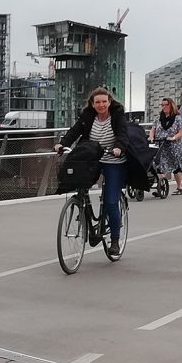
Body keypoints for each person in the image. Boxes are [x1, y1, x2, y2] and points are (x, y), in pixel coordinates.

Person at [57, 88, 134, 248]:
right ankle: (83, 207)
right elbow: (74, 131)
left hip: (114, 159)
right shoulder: (88, 116)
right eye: (97, 102)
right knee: (79, 182)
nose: (101, 105)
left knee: (110, 201)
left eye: (104, 101)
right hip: (93, 159)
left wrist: (118, 147)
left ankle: (114, 240)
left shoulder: (117, 115)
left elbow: (123, 134)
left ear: (109, 102)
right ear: (92, 104)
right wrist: (62, 144)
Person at [151, 98, 182, 195]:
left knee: (176, 166)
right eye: (162, 105)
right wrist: (151, 136)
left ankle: (179, 187)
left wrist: (174, 137)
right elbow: (153, 129)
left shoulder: (177, 118)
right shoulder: (158, 118)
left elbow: (181, 132)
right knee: (159, 165)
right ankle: (161, 185)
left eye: (166, 105)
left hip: (174, 145)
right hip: (161, 145)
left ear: (171, 105)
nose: (164, 107)